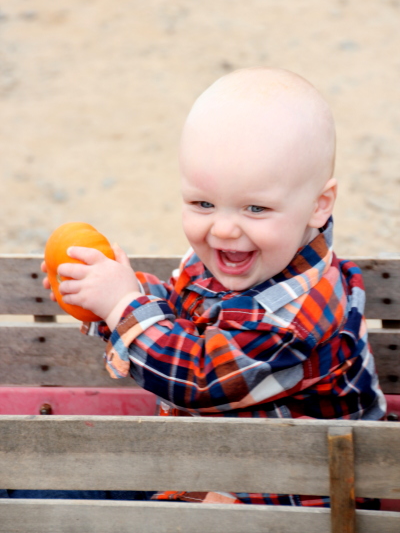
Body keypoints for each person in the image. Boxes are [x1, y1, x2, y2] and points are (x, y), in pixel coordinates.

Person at [42, 67, 386, 507]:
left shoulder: (297, 316)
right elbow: (182, 315)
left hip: (296, 498)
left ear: (319, 205)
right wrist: (107, 296)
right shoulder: (233, 263)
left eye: (256, 208)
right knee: (48, 484)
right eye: (202, 203)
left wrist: (122, 306)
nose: (223, 229)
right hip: (221, 462)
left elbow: (200, 377)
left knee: (58, 493)